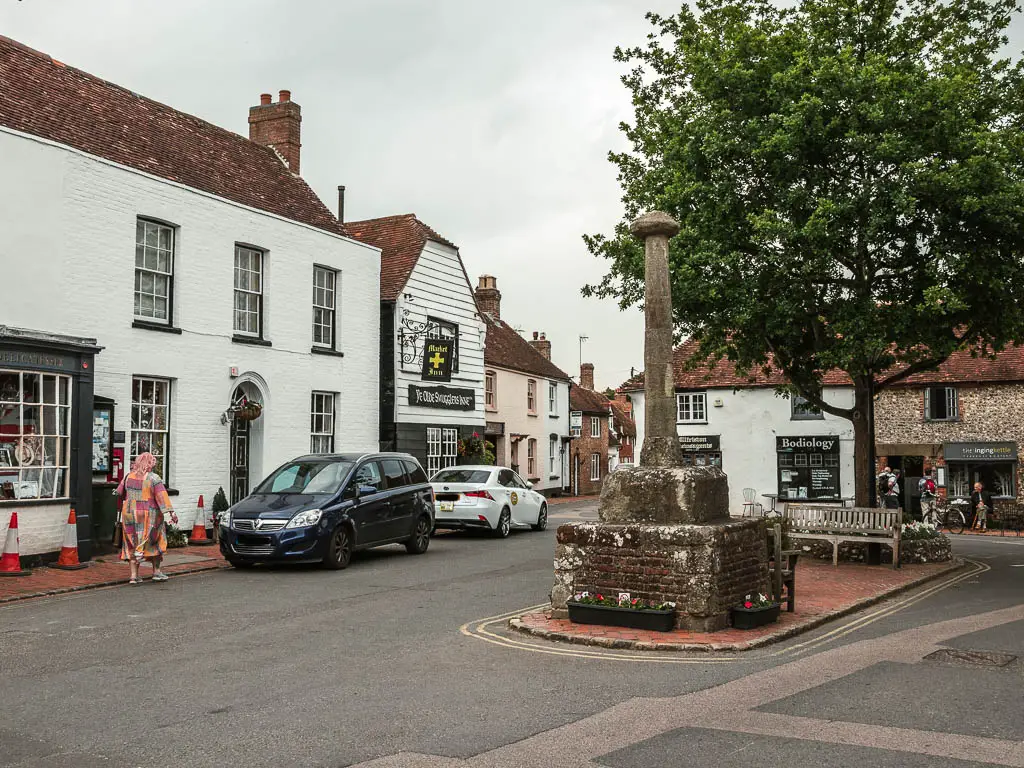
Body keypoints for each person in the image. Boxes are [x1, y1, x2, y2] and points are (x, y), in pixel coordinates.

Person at [116, 452, 177, 583]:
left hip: (129, 514)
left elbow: (119, 492)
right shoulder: (153, 478)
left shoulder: (128, 476)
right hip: (149, 514)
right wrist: (171, 512)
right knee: (155, 541)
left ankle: (133, 576)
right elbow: (162, 497)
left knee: (132, 542)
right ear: (149, 463)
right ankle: (156, 572)